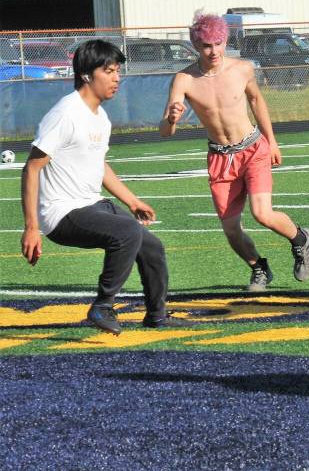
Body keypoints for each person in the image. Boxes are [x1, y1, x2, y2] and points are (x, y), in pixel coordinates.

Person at [20, 40, 193, 334]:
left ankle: (156, 315)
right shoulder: (66, 113)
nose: (117, 78)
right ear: (87, 75)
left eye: (117, 71)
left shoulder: (101, 117)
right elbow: (31, 168)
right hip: (62, 213)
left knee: (151, 246)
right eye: (110, 71)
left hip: (92, 204)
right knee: (127, 232)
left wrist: (132, 201)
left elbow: (99, 165)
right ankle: (103, 305)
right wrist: (31, 227)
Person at [160, 12, 309, 292]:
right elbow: (165, 131)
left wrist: (272, 141)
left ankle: (300, 239)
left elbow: (256, 100)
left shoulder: (242, 69)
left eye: (218, 43)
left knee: (262, 214)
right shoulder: (184, 79)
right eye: (207, 45)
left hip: (253, 149)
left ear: (225, 41)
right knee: (231, 228)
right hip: (220, 158)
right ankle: (259, 268)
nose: (214, 50)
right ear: (197, 46)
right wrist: (172, 118)